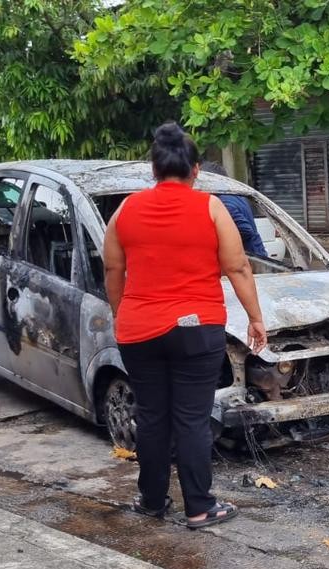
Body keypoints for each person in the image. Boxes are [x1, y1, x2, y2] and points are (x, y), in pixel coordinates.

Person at [102, 122, 268, 529]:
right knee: (191, 418)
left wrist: (123, 311)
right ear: (195, 170)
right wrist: (256, 317)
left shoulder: (126, 209)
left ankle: (153, 501)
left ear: (154, 171)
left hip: (139, 331)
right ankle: (198, 506)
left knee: (153, 415)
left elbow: (111, 267)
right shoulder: (211, 208)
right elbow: (238, 267)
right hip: (197, 328)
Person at [200, 161, 267, 258]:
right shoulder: (236, 195)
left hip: (248, 257)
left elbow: (245, 230)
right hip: (256, 253)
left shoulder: (224, 203)